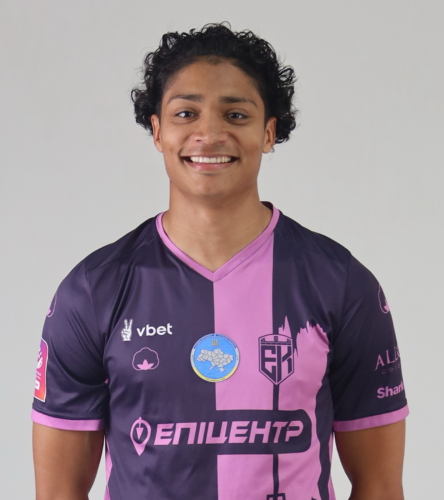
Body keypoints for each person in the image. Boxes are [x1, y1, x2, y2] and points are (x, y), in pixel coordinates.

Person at [32, 23, 408, 500]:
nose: (209, 133)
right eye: (186, 113)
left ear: (269, 132)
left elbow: (379, 485)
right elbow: (58, 491)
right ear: (157, 130)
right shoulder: (92, 291)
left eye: (235, 114)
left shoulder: (341, 283)